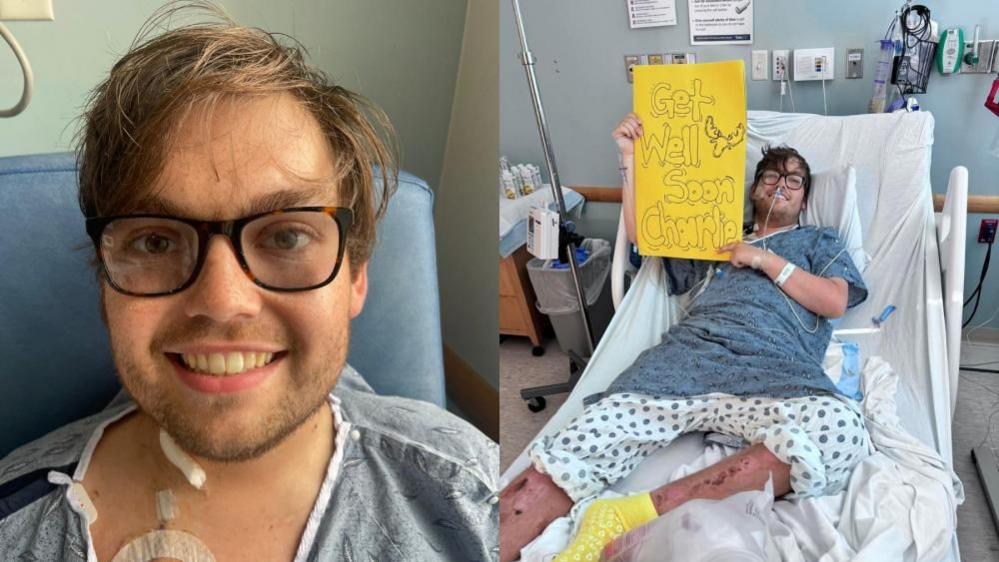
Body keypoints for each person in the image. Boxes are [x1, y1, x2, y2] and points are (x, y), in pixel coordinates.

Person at [0, 5, 496, 561]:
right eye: (157, 242)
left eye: (286, 237)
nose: (222, 302)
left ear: (356, 275)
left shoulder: (479, 497)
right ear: (103, 283)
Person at [499, 113, 871, 561]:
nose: (782, 184)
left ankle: (630, 516)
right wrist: (629, 158)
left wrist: (763, 260)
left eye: (795, 179)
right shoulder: (715, 233)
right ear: (754, 189)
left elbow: (833, 300)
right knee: (576, 444)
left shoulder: (818, 241)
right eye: (772, 175)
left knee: (841, 431)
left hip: (775, 366)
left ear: (805, 197)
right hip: (686, 358)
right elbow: (646, 236)